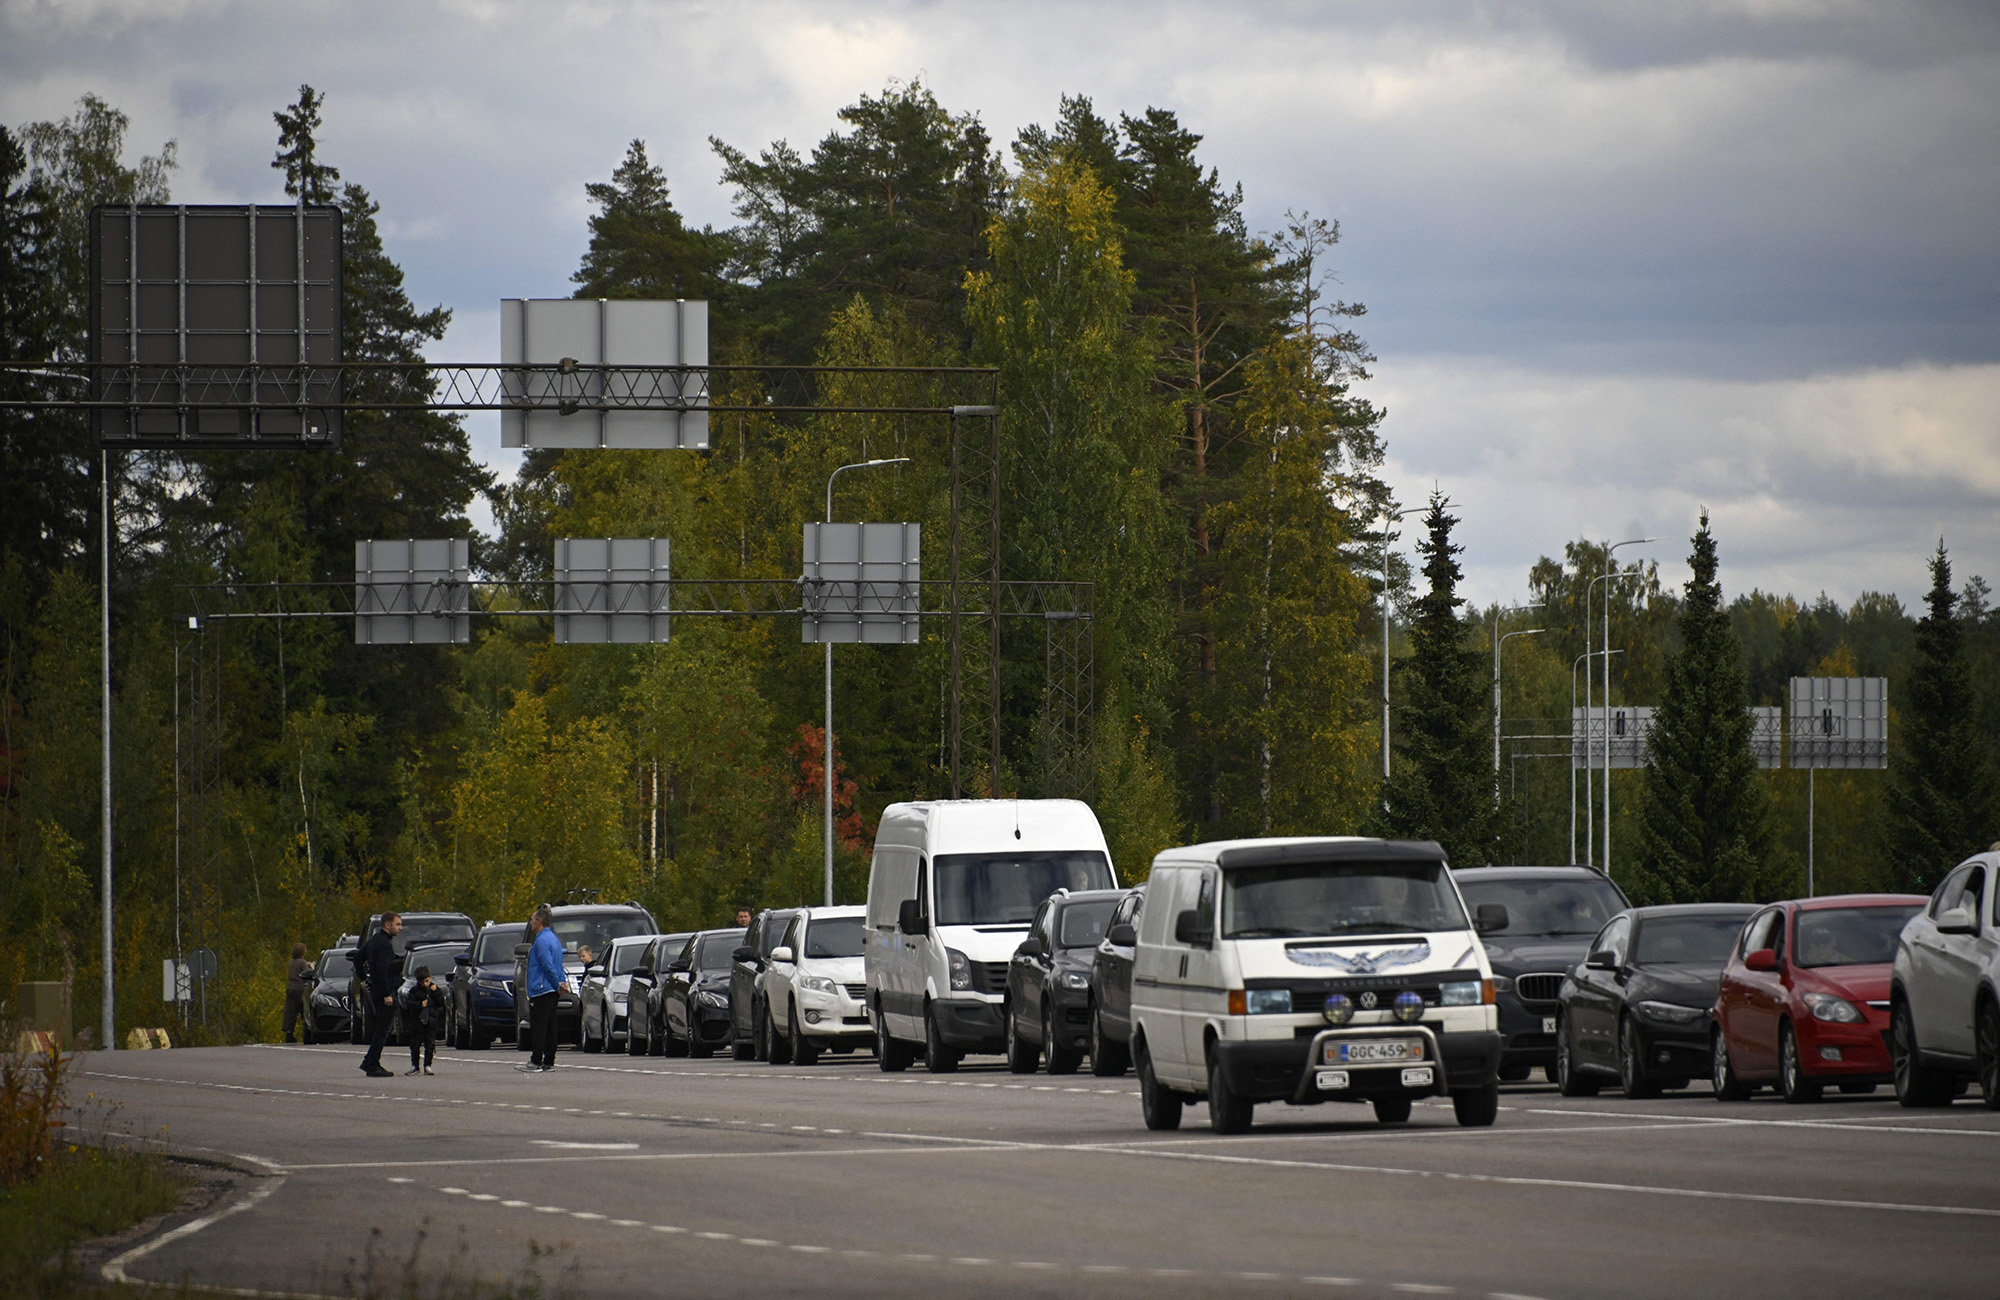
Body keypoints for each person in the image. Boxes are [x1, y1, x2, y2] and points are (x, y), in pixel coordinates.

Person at [518, 904, 568, 1073]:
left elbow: (547, 965)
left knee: (539, 1026)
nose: (531, 923)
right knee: (550, 1025)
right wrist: (561, 983)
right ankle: (549, 1060)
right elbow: (558, 965)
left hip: (541, 989)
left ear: (539, 921)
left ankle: (536, 1060)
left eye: (532, 920)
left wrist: (556, 984)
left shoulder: (540, 941)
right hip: (551, 990)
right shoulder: (554, 939)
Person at [357, 913, 403, 1078]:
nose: (400, 928)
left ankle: (370, 1061)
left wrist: (364, 979)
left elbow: (357, 958)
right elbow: (382, 970)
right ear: (387, 925)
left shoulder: (374, 941)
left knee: (382, 1029)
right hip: (384, 991)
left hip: (377, 989)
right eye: (397, 924)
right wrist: (386, 994)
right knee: (383, 1030)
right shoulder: (384, 945)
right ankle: (372, 1064)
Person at [406, 965, 442, 1076]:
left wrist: (436, 992)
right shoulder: (414, 991)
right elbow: (409, 1005)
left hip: (430, 1022)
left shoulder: (434, 989)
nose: (425, 984)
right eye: (422, 982)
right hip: (417, 1023)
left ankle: (428, 1065)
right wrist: (420, 1004)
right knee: (415, 1045)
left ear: (430, 978)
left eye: (426, 981)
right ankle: (415, 1066)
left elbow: (441, 1003)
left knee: (430, 1045)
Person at [284, 943, 313, 1044]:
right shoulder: (302, 962)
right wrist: (311, 967)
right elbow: (306, 973)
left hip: (290, 988)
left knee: (291, 1012)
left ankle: (289, 1033)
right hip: (299, 989)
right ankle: (307, 1032)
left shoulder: (291, 962)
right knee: (304, 1011)